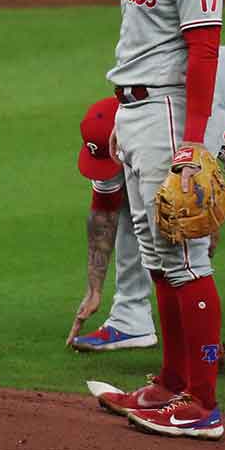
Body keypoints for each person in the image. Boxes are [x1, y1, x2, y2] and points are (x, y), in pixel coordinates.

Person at [87, 0, 225, 441]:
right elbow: (140, 42)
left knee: (186, 258)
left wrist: (194, 143)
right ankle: (170, 384)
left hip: (171, 114)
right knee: (159, 259)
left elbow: (204, 50)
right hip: (138, 112)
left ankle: (203, 403)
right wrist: (120, 114)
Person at [67, 97, 157, 352]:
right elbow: (104, 214)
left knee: (184, 220)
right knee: (131, 202)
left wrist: (214, 220)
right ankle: (131, 319)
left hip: (224, 110)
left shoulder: (169, 133)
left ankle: (198, 332)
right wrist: (94, 290)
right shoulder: (112, 138)